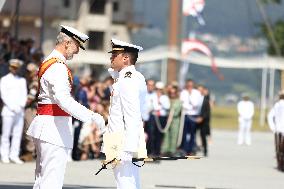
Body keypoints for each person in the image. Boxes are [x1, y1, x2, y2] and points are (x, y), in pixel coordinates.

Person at [26, 25, 105, 189]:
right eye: (77, 46)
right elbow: (64, 100)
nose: (77, 52)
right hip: (53, 128)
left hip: (49, 126)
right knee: (51, 182)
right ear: (67, 43)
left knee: (42, 180)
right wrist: (92, 116)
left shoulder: (51, 62)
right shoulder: (58, 66)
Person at [102, 38, 147, 189]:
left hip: (122, 141)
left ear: (126, 58)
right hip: (124, 138)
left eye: (115, 55)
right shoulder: (133, 77)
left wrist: (128, 149)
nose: (111, 58)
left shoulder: (127, 81)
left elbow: (132, 115)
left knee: (125, 182)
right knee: (131, 182)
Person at [0, 59, 27, 164]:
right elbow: (3, 95)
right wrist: (12, 107)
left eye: (16, 68)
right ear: (10, 67)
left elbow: (24, 94)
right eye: (13, 67)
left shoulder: (22, 80)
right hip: (8, 110)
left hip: (19, 111)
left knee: (17, 134)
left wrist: (21, 106)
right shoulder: (4, 79)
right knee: (6, 134)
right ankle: (4, 155)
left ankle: (14, 155)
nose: (14, 69)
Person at [267, 90, 284, 171]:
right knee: (279, 148)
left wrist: (273, 127)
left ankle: (280, 164)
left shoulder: (277, 105)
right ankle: (280, 164)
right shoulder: (277, 105)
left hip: (278, 129)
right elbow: (270, 116)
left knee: (279, 148)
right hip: (279, 129)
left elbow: (270, 116)